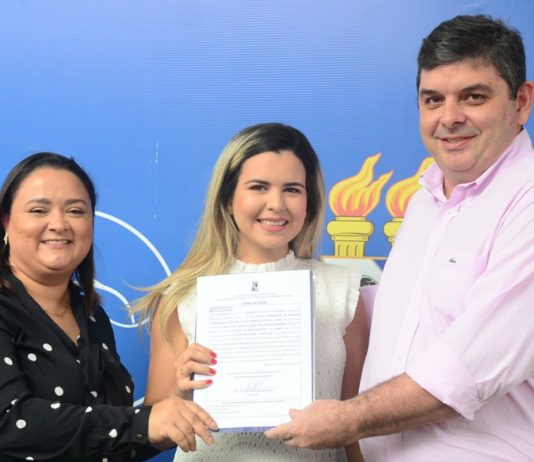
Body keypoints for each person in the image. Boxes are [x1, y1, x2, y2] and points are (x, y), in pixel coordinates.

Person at [265, 14, 534, 461]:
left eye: (473, 97)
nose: (450, 118)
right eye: (433, 100)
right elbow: (398, 322)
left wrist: (347, 419)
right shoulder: (425, 200)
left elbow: (468, 369)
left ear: (521, 102)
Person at [133, 122, 369, 461]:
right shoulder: (181, 296)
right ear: (228, 199)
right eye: (259, 187)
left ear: (309, 202)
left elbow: (355, 427)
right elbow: (154, 437)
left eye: (292, 189)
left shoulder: (343, 291)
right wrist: (181, 394)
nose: (276, 204)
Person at [0, 153, 218, 462]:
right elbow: (9, 423)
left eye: (76, 211)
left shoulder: (91, 315)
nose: (59, 224)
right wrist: (143, 423)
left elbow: (115, 443)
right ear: (6, 220)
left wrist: (177, 412)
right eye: (39, 210)